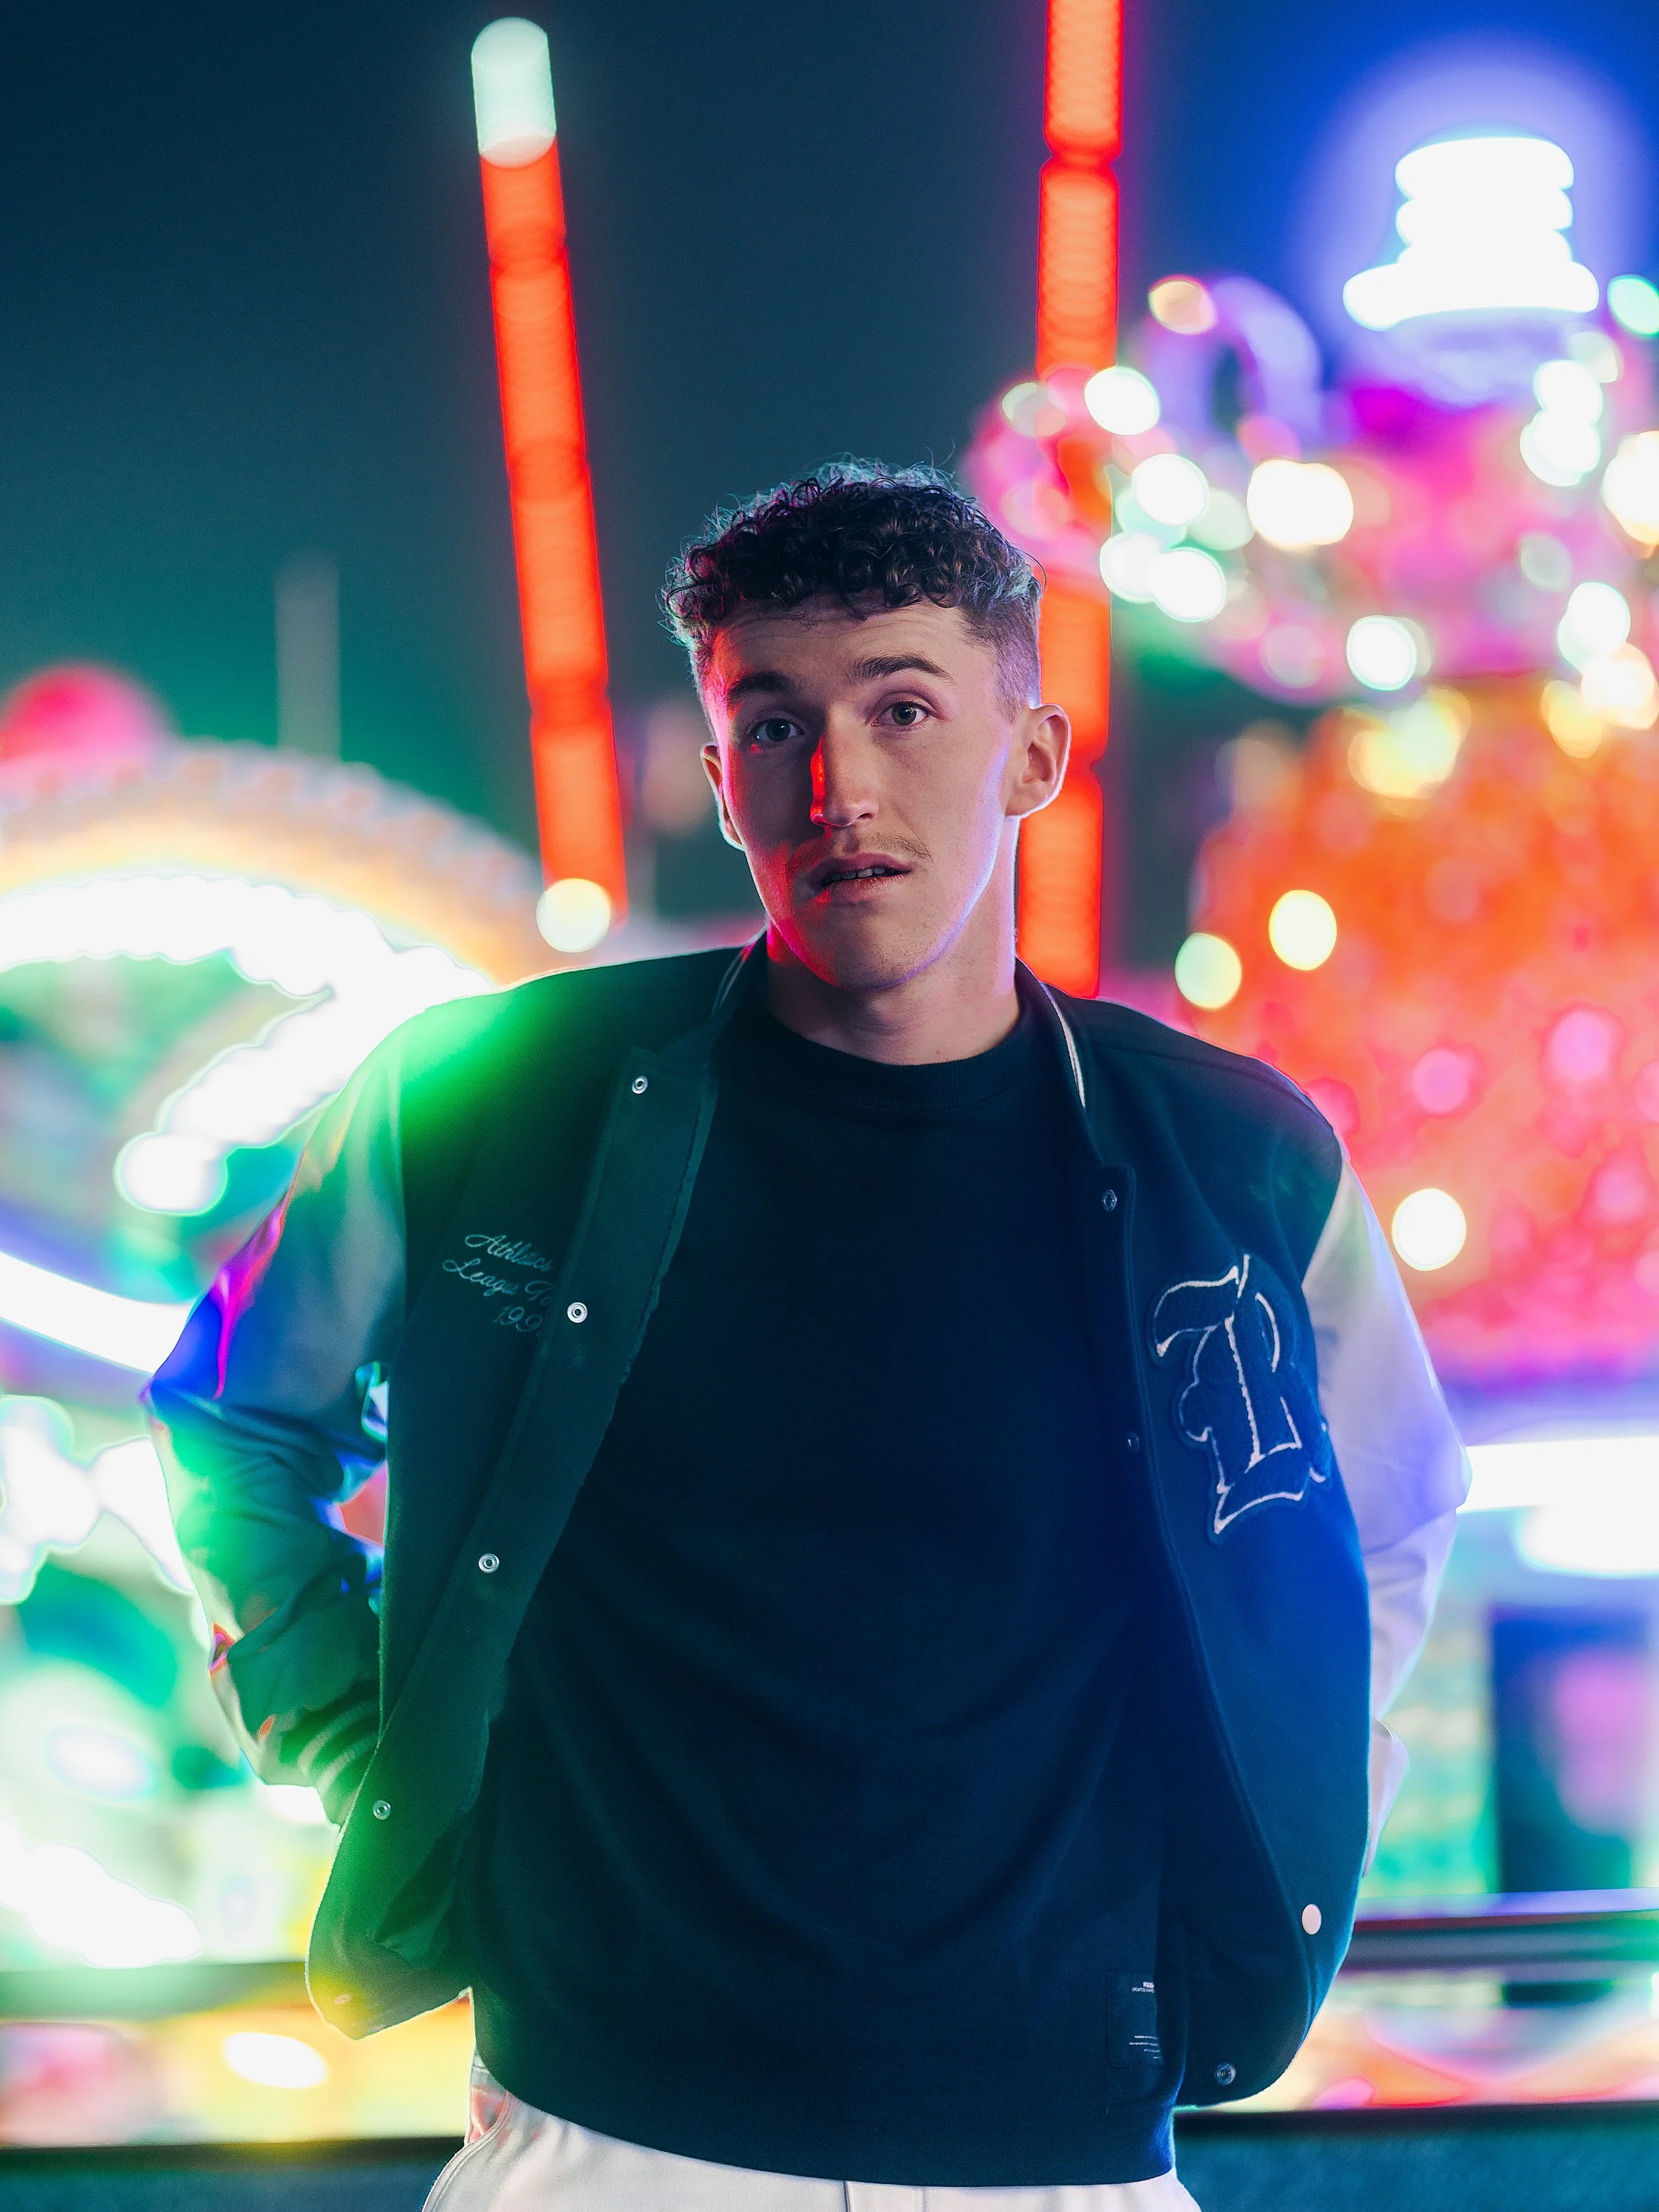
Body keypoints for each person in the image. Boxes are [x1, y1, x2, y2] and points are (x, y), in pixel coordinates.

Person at [146, 464, 1469, 2210]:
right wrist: (345, 1734)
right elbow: (237, 1418)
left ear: (1030, 756)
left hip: (1052, 2138)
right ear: (717, 775)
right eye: (771, 723)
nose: (837, 786)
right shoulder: (493, 1102)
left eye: (903, 708)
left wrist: (1259, 1796)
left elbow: (1384, 1523)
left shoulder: (1229, 1159)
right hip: (606, 2128)